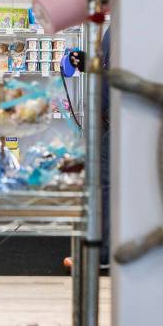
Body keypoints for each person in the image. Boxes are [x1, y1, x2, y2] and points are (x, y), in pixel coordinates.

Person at [64, 25, 110, 270]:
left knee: (103, 180)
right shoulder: (114, 30)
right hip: (108, 118)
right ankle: (101, 245)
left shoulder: (125, 28)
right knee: (101, 180)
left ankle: (102, 255)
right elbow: (104, 73)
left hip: (120, 119)